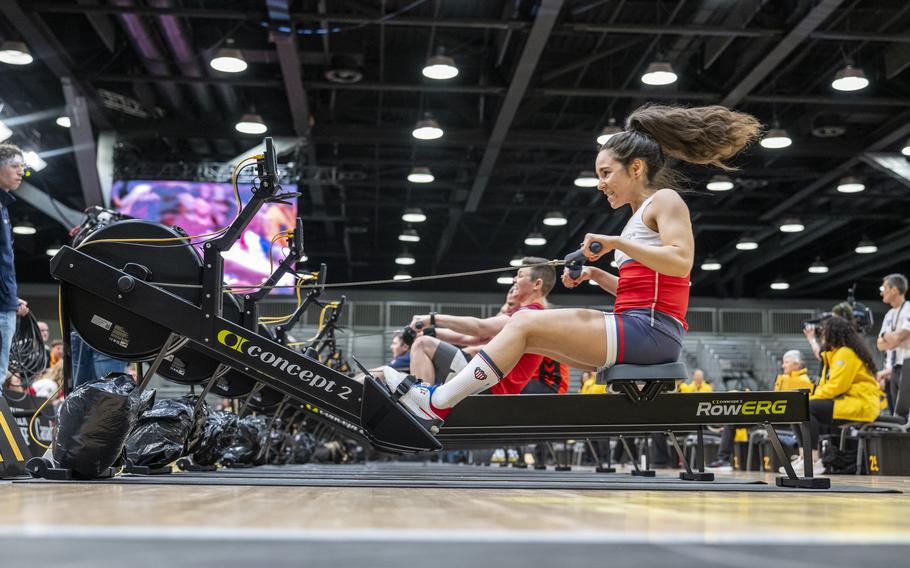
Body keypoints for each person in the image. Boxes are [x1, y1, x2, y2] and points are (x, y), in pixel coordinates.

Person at [381, 104, 761, 426]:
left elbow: (680, 264)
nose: (600, 184)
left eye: (605, 173)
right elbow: (648, 288)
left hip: (650, 332)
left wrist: (615, 243)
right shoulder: (636, 216)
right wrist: (597, 274)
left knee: (524, 320)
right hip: (641, 326)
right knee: (527, 335)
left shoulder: (665, 200)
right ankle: (441, 401)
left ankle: (437, 402)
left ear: (637, 168)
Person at [382, 259, 556, 395]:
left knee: (423, 344)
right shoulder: (527, 313)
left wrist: (432, 319)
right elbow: (471, 337)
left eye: (520, 275)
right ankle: (423, 403)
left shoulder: (530, 315)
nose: (514, 280)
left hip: (491, 383)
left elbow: (480, 328)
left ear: (537, 284)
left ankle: (421, 408)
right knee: (420, 351)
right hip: (488, 378)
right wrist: (431, 329)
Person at [786, 316, 881, 475]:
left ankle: (814, 461)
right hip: (846, 401)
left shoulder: (845, 353)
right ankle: (805, 458)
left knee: (806, 408)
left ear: (832, 334)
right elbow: (826, 386)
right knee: (797, 408)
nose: (821, 335)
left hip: (861, 404)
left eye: (823, 332)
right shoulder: (831, 355)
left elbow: (837, 387)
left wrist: (809, 399)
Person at [709, 350, 812, 470]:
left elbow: (785, 403)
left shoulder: (802, 381)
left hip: (780, 418)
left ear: (797, 365)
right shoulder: (784, 378)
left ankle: (723, 459)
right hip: (771, 414)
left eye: (786, 362)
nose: (783, 365)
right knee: (731, 422)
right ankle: (723, 460)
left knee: (732, 422)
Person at [0, 144, 30, 385]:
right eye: (15, 166)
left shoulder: (3, 207)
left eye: (23, 167)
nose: (21, 172)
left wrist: (13, 298)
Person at [875, 274, 910, 415]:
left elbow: (901, 336)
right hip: (893, 371)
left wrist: (887, 337)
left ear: (894, 290)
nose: (882, 292)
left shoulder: (908, 308)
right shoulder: (888, 314)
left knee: (905, 412)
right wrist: (890, 339)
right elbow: (879, 345)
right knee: (895, 414)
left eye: (884, 288)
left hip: (907, 366)